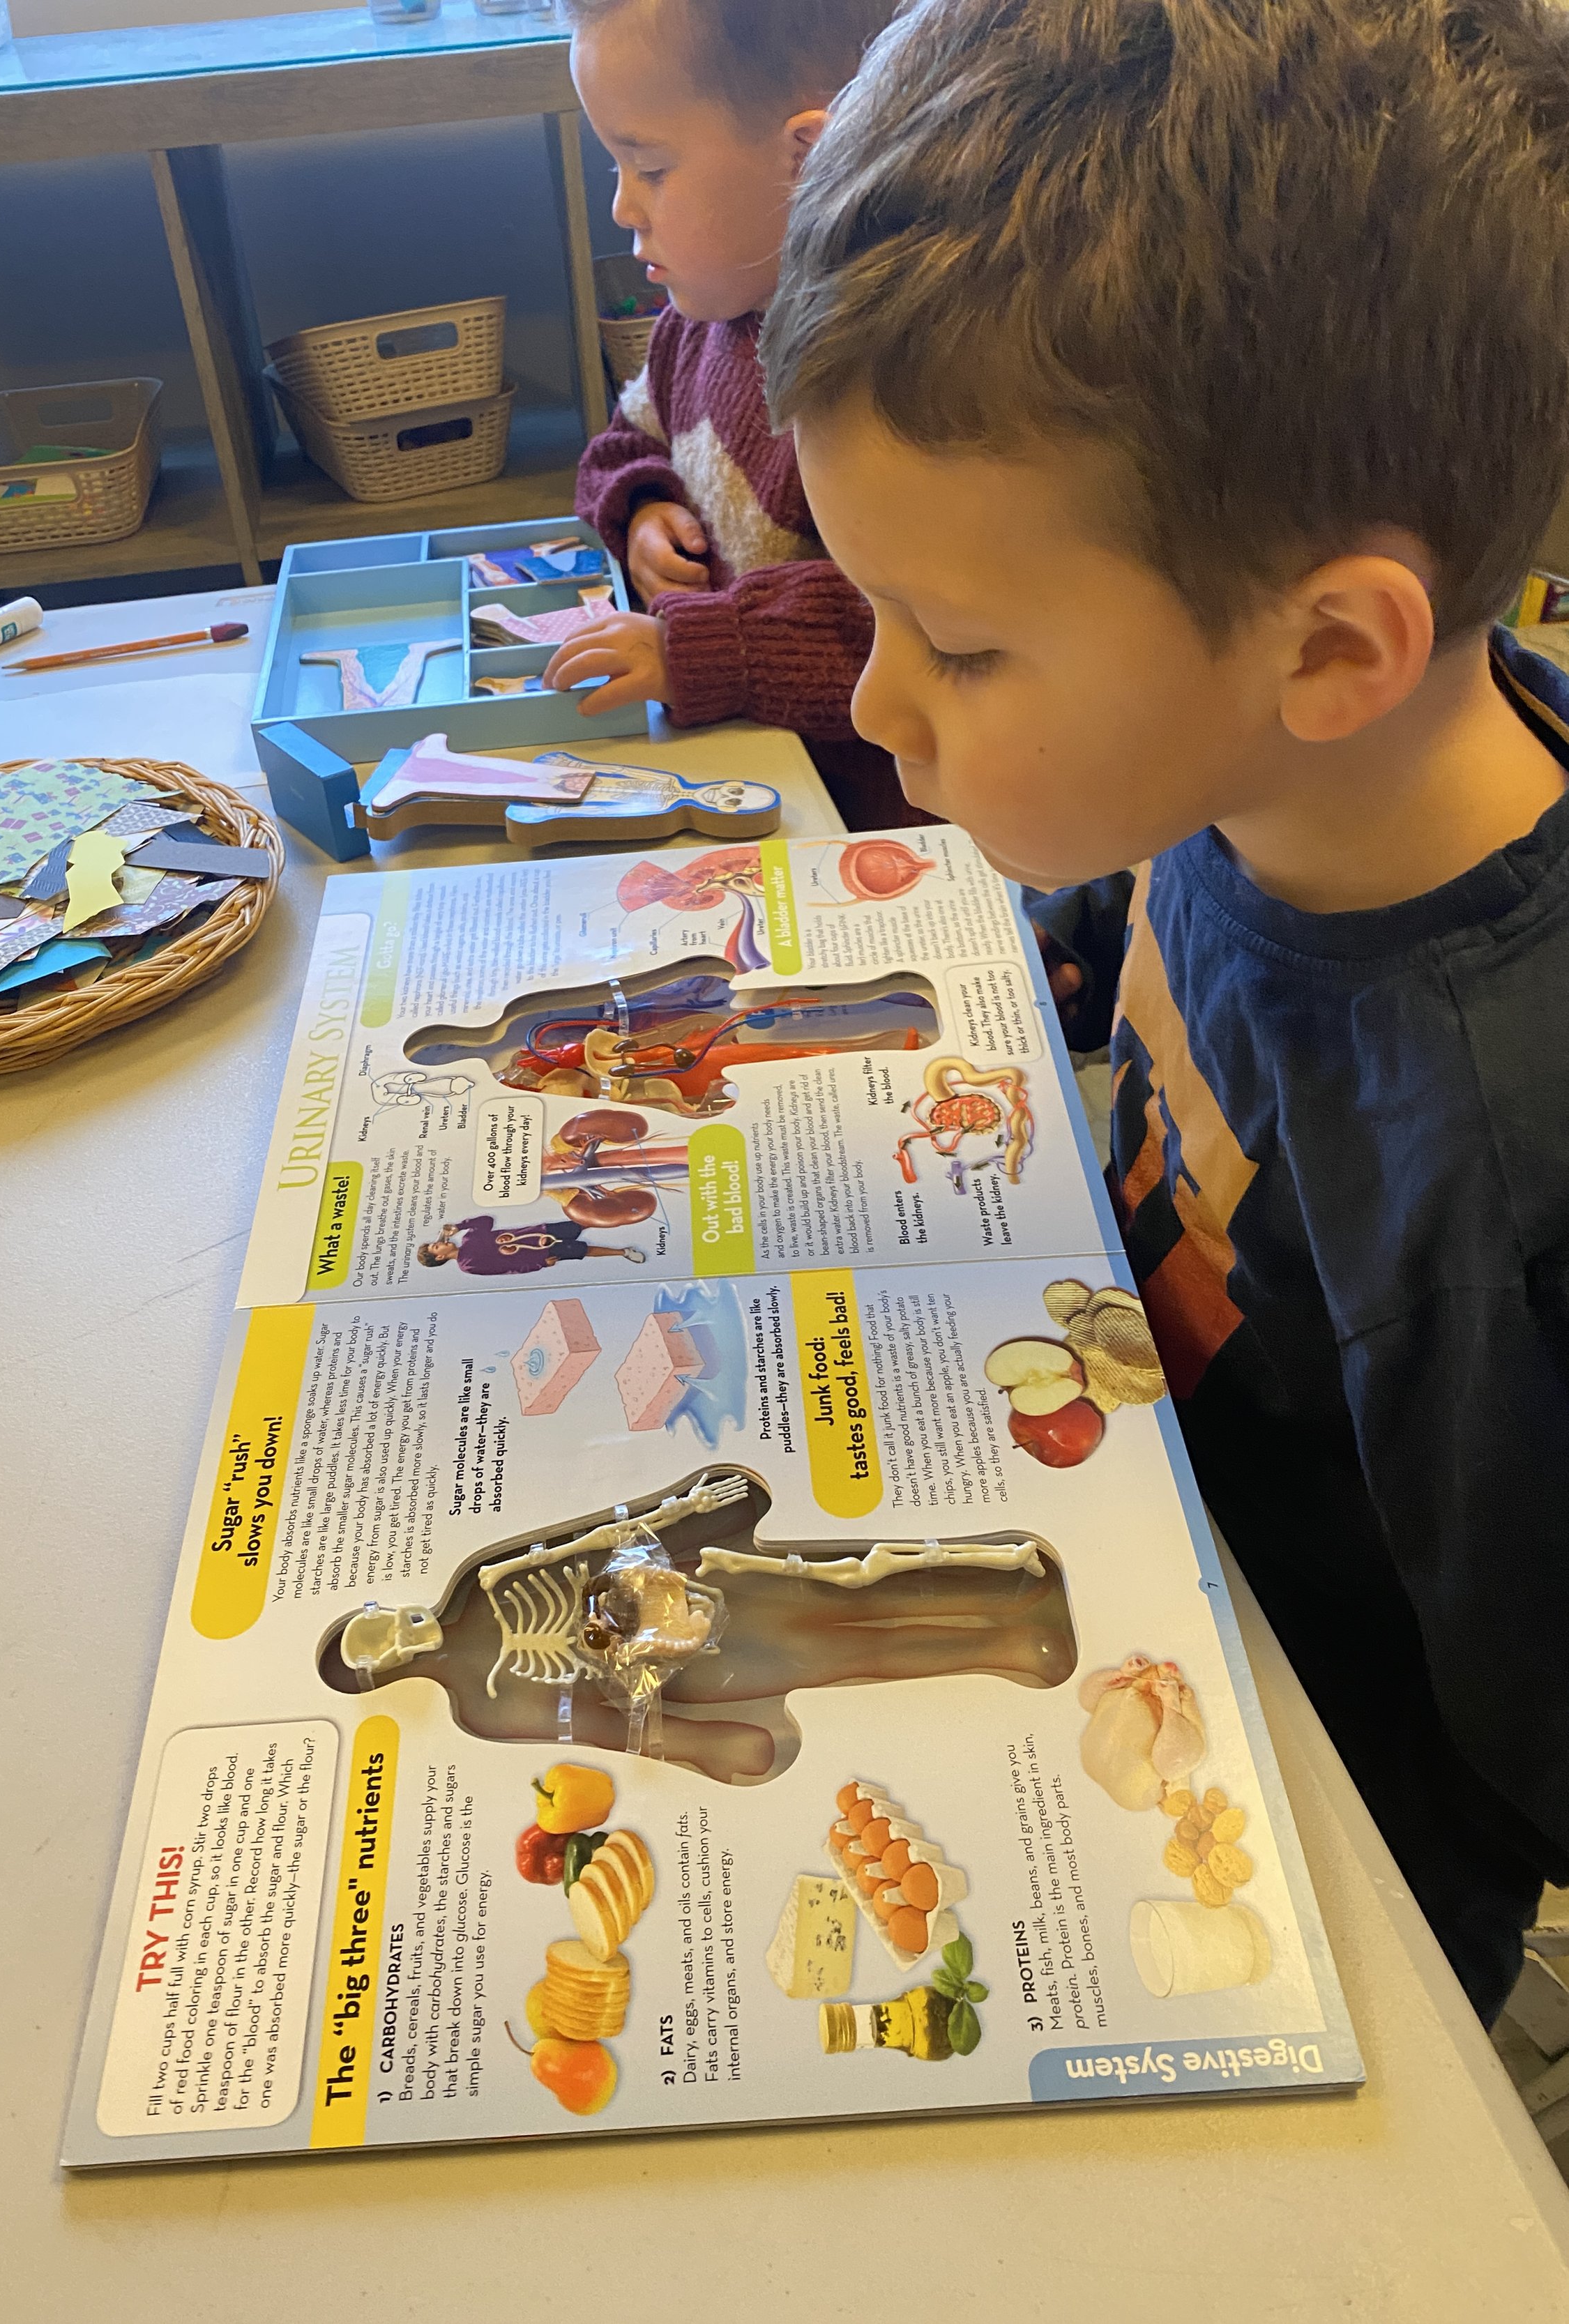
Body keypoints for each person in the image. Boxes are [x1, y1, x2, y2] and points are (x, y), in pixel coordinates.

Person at [759, 0, 1569, 2026]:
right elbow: (1132, 934)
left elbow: (1527, 1730)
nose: (871, 701)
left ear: (1330, 650)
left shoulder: (1492, 1171)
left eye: (956, 647)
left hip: (1312, 1843)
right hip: (1118, 1500)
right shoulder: (1255, 767)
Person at [542, 0, 929, 831]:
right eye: (615, 169)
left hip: (871, 831)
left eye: (650, 169)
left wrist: (706, 649)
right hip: (745, 774)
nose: (623, 208)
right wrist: (644, 508)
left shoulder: (883, 377)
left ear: (809, 158)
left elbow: (917, 620)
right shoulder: (698, 326)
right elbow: (626, 441)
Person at [417, 1216, 646, 1273]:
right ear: (440, 1257)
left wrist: (460, 1226)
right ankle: (623, 1252)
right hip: (542, 1253)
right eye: (436, 1247)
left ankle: (626, 1218)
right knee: (584, 1251)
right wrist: (540, 1264)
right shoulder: (468, 1265)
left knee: (581, 1224)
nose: (441, 1242)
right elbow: (507, 1268)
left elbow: (486, 1221)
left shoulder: (468, 1238)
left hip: (539, 1232)